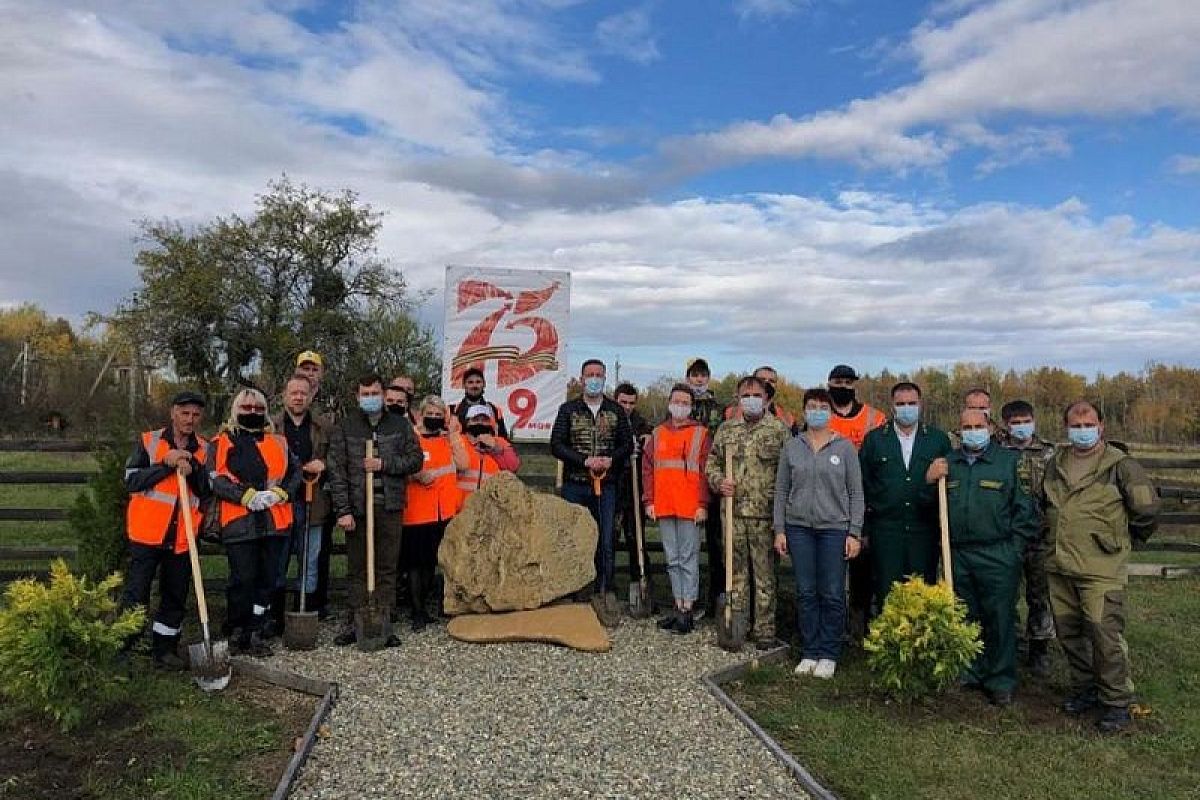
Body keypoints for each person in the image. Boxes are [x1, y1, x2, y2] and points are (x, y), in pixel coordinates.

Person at [1043, 400, 1159, 733]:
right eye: (1075, 426)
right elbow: (1044, 504)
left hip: (1101, 568)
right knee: (1069, 632)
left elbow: (1146, 511)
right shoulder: (1056, 464)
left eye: (1088, 424)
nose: (1082, 431)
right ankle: (1085, 689)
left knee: (1104, 632)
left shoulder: (1120, 465)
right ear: (1066, 428)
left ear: (1101, 426)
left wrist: (1121, 543)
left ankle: (1116, 702)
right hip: (1059, 563)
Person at [926, 409, 1039, 706]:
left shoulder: (1010, 462)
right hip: (959, 554)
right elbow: (931, 507)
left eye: (978, 426)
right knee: (965, 614)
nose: (972, 431)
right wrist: (929, 480)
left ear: (990, 428)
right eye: (966, 427)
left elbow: (1025, 512)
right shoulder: (948, 463)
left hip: (998, 553)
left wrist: (1014, 551)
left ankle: (1000, 679)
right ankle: (970, 670)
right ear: (959, 430)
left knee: (999, 617)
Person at [327, 373, 423, 647]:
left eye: (375, 393)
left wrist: (383, 464)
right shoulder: (346, 427)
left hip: (389, 506)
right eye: (365, 394)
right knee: (357, 567)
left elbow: (415, 460)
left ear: (383, 395)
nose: (371, 398)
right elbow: (336, 471)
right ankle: (355, 621)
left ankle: (383, 621)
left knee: (386, 566)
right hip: (358, 508)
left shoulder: (400, 426)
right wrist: (342, 510)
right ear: (358, 397)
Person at [774, 388, 864, 678]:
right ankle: (810, 650)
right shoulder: (793, 446)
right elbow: (781, 491)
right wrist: (780, 529)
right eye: (811, 406)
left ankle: (829, 652)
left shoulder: (845, 448)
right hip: (799, 528)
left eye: (822, 407)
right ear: (804, 410)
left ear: (830, 412)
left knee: (833, 592)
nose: (817, 411)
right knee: (806, 591)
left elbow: (856, 493)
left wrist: (854, 531)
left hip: (834, 529)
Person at [120, 391, 210, 669]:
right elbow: (132, 481)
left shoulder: (204, 449)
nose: (190, 420)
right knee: (137, 592)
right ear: (173, 413)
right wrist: (166, 464)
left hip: (182, 539)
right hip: (147, 534)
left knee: (175, 595)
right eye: (184, 413)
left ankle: (165, 648)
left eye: (195, 415)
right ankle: (126, 646)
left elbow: (206, 489)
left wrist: (192, 466)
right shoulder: (150, 442)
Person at [209, 388, 300, 657]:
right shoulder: (222, 442)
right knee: (242, 579)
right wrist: (245, 496)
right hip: (240, 522)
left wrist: (281, 492)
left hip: (275, 519)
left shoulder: (279, 441)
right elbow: (214, 477)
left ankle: (257, 629)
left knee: (267, 580)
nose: (252, 412)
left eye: (258, 408)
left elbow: (295, 471)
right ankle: (238, 629)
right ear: (236, 410)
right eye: (247, 408)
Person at [706, 376, 790, 649]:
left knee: (764, 576)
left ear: (766, 398)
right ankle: (736, 626)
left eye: (756, 394)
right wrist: (720, 482)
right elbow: (711, 463)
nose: (750, 399)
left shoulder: (778, 431)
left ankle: (764, 630)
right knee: (735, 573)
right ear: (738, 398)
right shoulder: (726, 430)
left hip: (765, 516)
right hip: (732, 514)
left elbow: (788, 474)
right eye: (745, 394)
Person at [550, 359, 633, 627]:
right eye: (590, 375)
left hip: (606, 485)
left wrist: (610, 459)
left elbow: (626, 445)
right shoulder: (568, 410)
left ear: (604, 378)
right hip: (576, 483)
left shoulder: (615, 411)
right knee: (573, 539)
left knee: (605, 538)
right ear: (582, 378)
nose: (594, 379)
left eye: (599, 375)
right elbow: (557, 444)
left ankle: (604, 589)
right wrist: (583, 460)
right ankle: (575, 590)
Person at [860, 381, 952, 607]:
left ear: (920, 405)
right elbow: (862, 485)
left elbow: (950, 487)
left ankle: (920, 641)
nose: (906, 408)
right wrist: (863, 530)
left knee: (923, 593)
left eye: (912, 403)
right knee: (887, 592)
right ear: (892, 406)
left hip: (924, 530)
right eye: (901, 403)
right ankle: (888, 641)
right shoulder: (875, 440)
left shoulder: (937, 440)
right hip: (886, 531)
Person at [642, 383, 712, 634]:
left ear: (691, 406)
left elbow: (706, 472)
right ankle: (678, 604)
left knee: (688, 558)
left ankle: (688, 608)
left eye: (685, 402)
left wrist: (703, 504)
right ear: (669, 403)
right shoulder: (657, 433)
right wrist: (649, 500)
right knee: (672, 559)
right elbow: (648, 469)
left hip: (690, 505)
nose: (680, 406)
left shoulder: (700, 434)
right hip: (664, 504)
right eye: (676, 401)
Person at [265, 375, 331, 636]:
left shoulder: (324, 427)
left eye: (303, 393)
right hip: (281, 504)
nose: (298, 397)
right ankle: (275, 616)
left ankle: (305, 611)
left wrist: (324, 465)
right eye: (293, 393)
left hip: (313, 503)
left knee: (310, 560)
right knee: (277, 561)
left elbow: (338, 457)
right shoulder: (271, 427)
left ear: (311, 396)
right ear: (284, 396)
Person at [826, 364, 886, 638]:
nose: (843, 387)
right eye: (838, 381)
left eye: (848, 382)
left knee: (864, 567)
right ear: (829, 383)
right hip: (830, 502)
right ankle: (833, 624)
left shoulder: (874, 417)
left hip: (865, 501)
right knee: (831, 567)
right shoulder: (820, 416)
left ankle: (860, 623)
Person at [999, 399, 1057, 676]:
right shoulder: (998, 452)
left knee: (1039, 594)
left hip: (1040, 535)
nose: (1021, 427)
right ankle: (1010, 641)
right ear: (1006, 425)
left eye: (1025, 421)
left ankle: (1040, 647)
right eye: (1015, 422)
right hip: (1007, 536)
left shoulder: (1049, 453)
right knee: (1006, 592)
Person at [403, 395, 470, 630]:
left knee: (432, 562)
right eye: (429, 414)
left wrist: (452, 434)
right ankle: (417, 611)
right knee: (415, 564)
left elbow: (463, 464)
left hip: (443, 511)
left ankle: (428, 608)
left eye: (438, 414)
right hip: (416, 510)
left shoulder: (447, 439)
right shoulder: (410, 437)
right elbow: (399, 465)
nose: (433, 418)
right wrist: (414, 475)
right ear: (420, 414)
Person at [686, 357, 726, 616]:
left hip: (711, 482)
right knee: (687, 545)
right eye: (695, 374)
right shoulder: (681, 405)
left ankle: (716, 597)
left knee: (715, 543)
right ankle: (688, 596)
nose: (699, 379)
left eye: (703, 374)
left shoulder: (719, 409)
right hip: (686, 484)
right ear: (688, 377)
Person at [614, 383, 653, 588]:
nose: (627, 407)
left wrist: (647, 439)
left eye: (631, 403)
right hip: (612, 486)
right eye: (623, 402)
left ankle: (640, 581)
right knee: (609, 538)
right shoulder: (608, 419)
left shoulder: (641, 423)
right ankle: (605, 584)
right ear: (615, 400)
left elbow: (651, 438)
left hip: (634, 488)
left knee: (635, 537)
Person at [456, 405, 521, 501]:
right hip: (461, 505)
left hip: (489, 506)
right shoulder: (458, 441)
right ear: (467, 422)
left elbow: (513, 467)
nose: (480, 423)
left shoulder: (500, 442)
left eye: (484, 420)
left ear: (490, 423)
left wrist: (495, 448)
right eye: (476, 419)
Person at [451, 366, 509, 439]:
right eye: (470, 382)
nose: (474, 386)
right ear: (464, 385)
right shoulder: (452, 411)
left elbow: (504, 440)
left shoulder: (494, 410)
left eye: (478, 382)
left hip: (489, 449)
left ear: (484, 384)